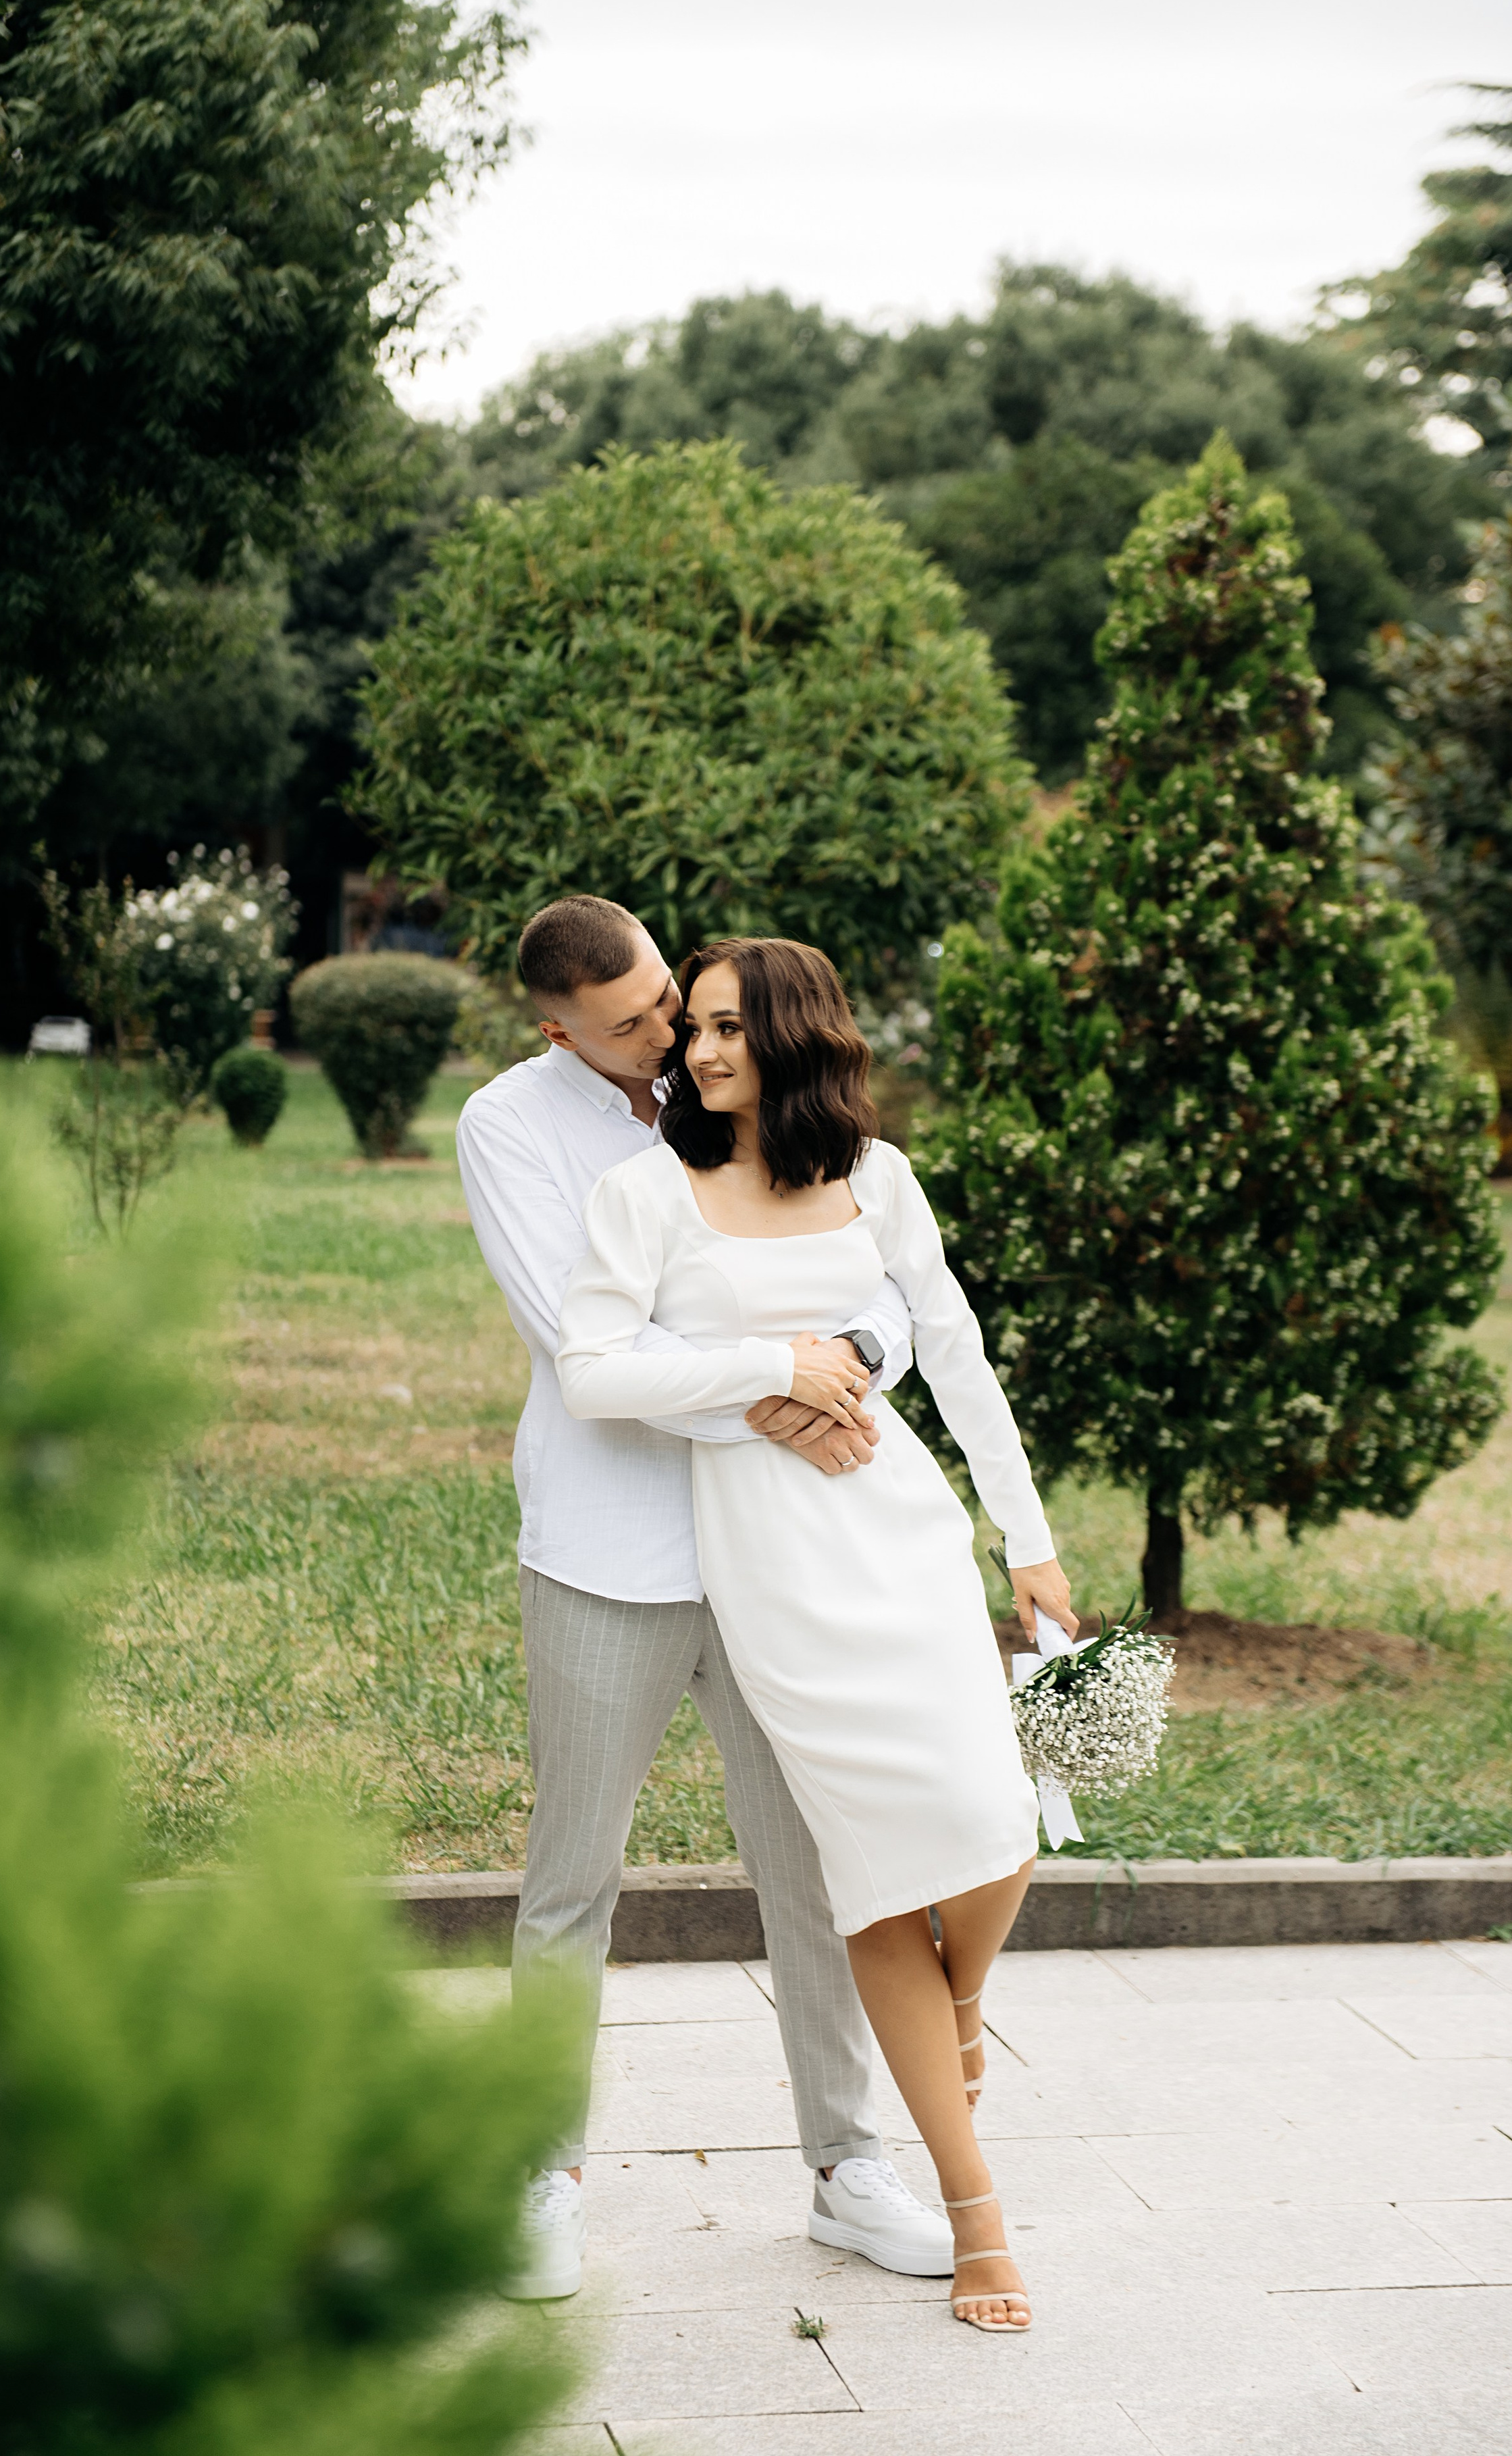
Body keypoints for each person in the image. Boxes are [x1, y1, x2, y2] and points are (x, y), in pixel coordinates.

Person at [556, 936, 1078, 2333]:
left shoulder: (879, 1179)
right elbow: (594, 1373)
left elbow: (949, 1348)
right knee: (875, 1875)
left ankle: (959, 2010)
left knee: (997, 1823)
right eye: (695, 1031)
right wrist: (765, 1379)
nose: (700, 1052)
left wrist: (1023, 1541)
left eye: (729, 1029)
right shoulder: (644, 1190)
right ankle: (975, 2219)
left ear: (797, 1038)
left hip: (897, 1529)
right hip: (772, 1565)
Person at [457, 896, 960, 2303]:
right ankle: (538, 2172)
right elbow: (585, 1350)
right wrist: (779, 1381)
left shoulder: (727, 1068)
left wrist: (841, 1359)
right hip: (605, 1553)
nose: (666, 1042)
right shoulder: (507, 1126)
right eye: (629, 1029)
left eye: (668, 1009)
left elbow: (871, 1275)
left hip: (780, 1544)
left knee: (812, 1863)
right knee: (570, 1878)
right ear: (556, 1027)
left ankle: (846, 2163)